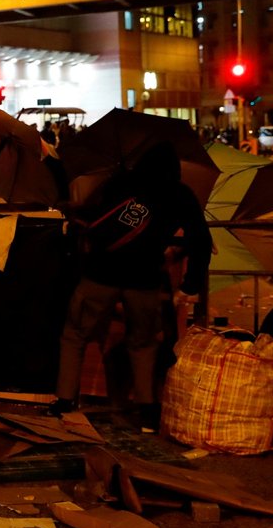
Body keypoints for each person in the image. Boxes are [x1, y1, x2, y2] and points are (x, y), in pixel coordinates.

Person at [49, 141, 212, 432]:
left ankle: (64, 400)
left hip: (99, 275)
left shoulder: (120, 182)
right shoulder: (180, 194)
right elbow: (200, 240)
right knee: (143, 343)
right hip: (144, 281)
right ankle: (147, 406)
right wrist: (190, 284)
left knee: (74, 336)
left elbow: (91, 217)